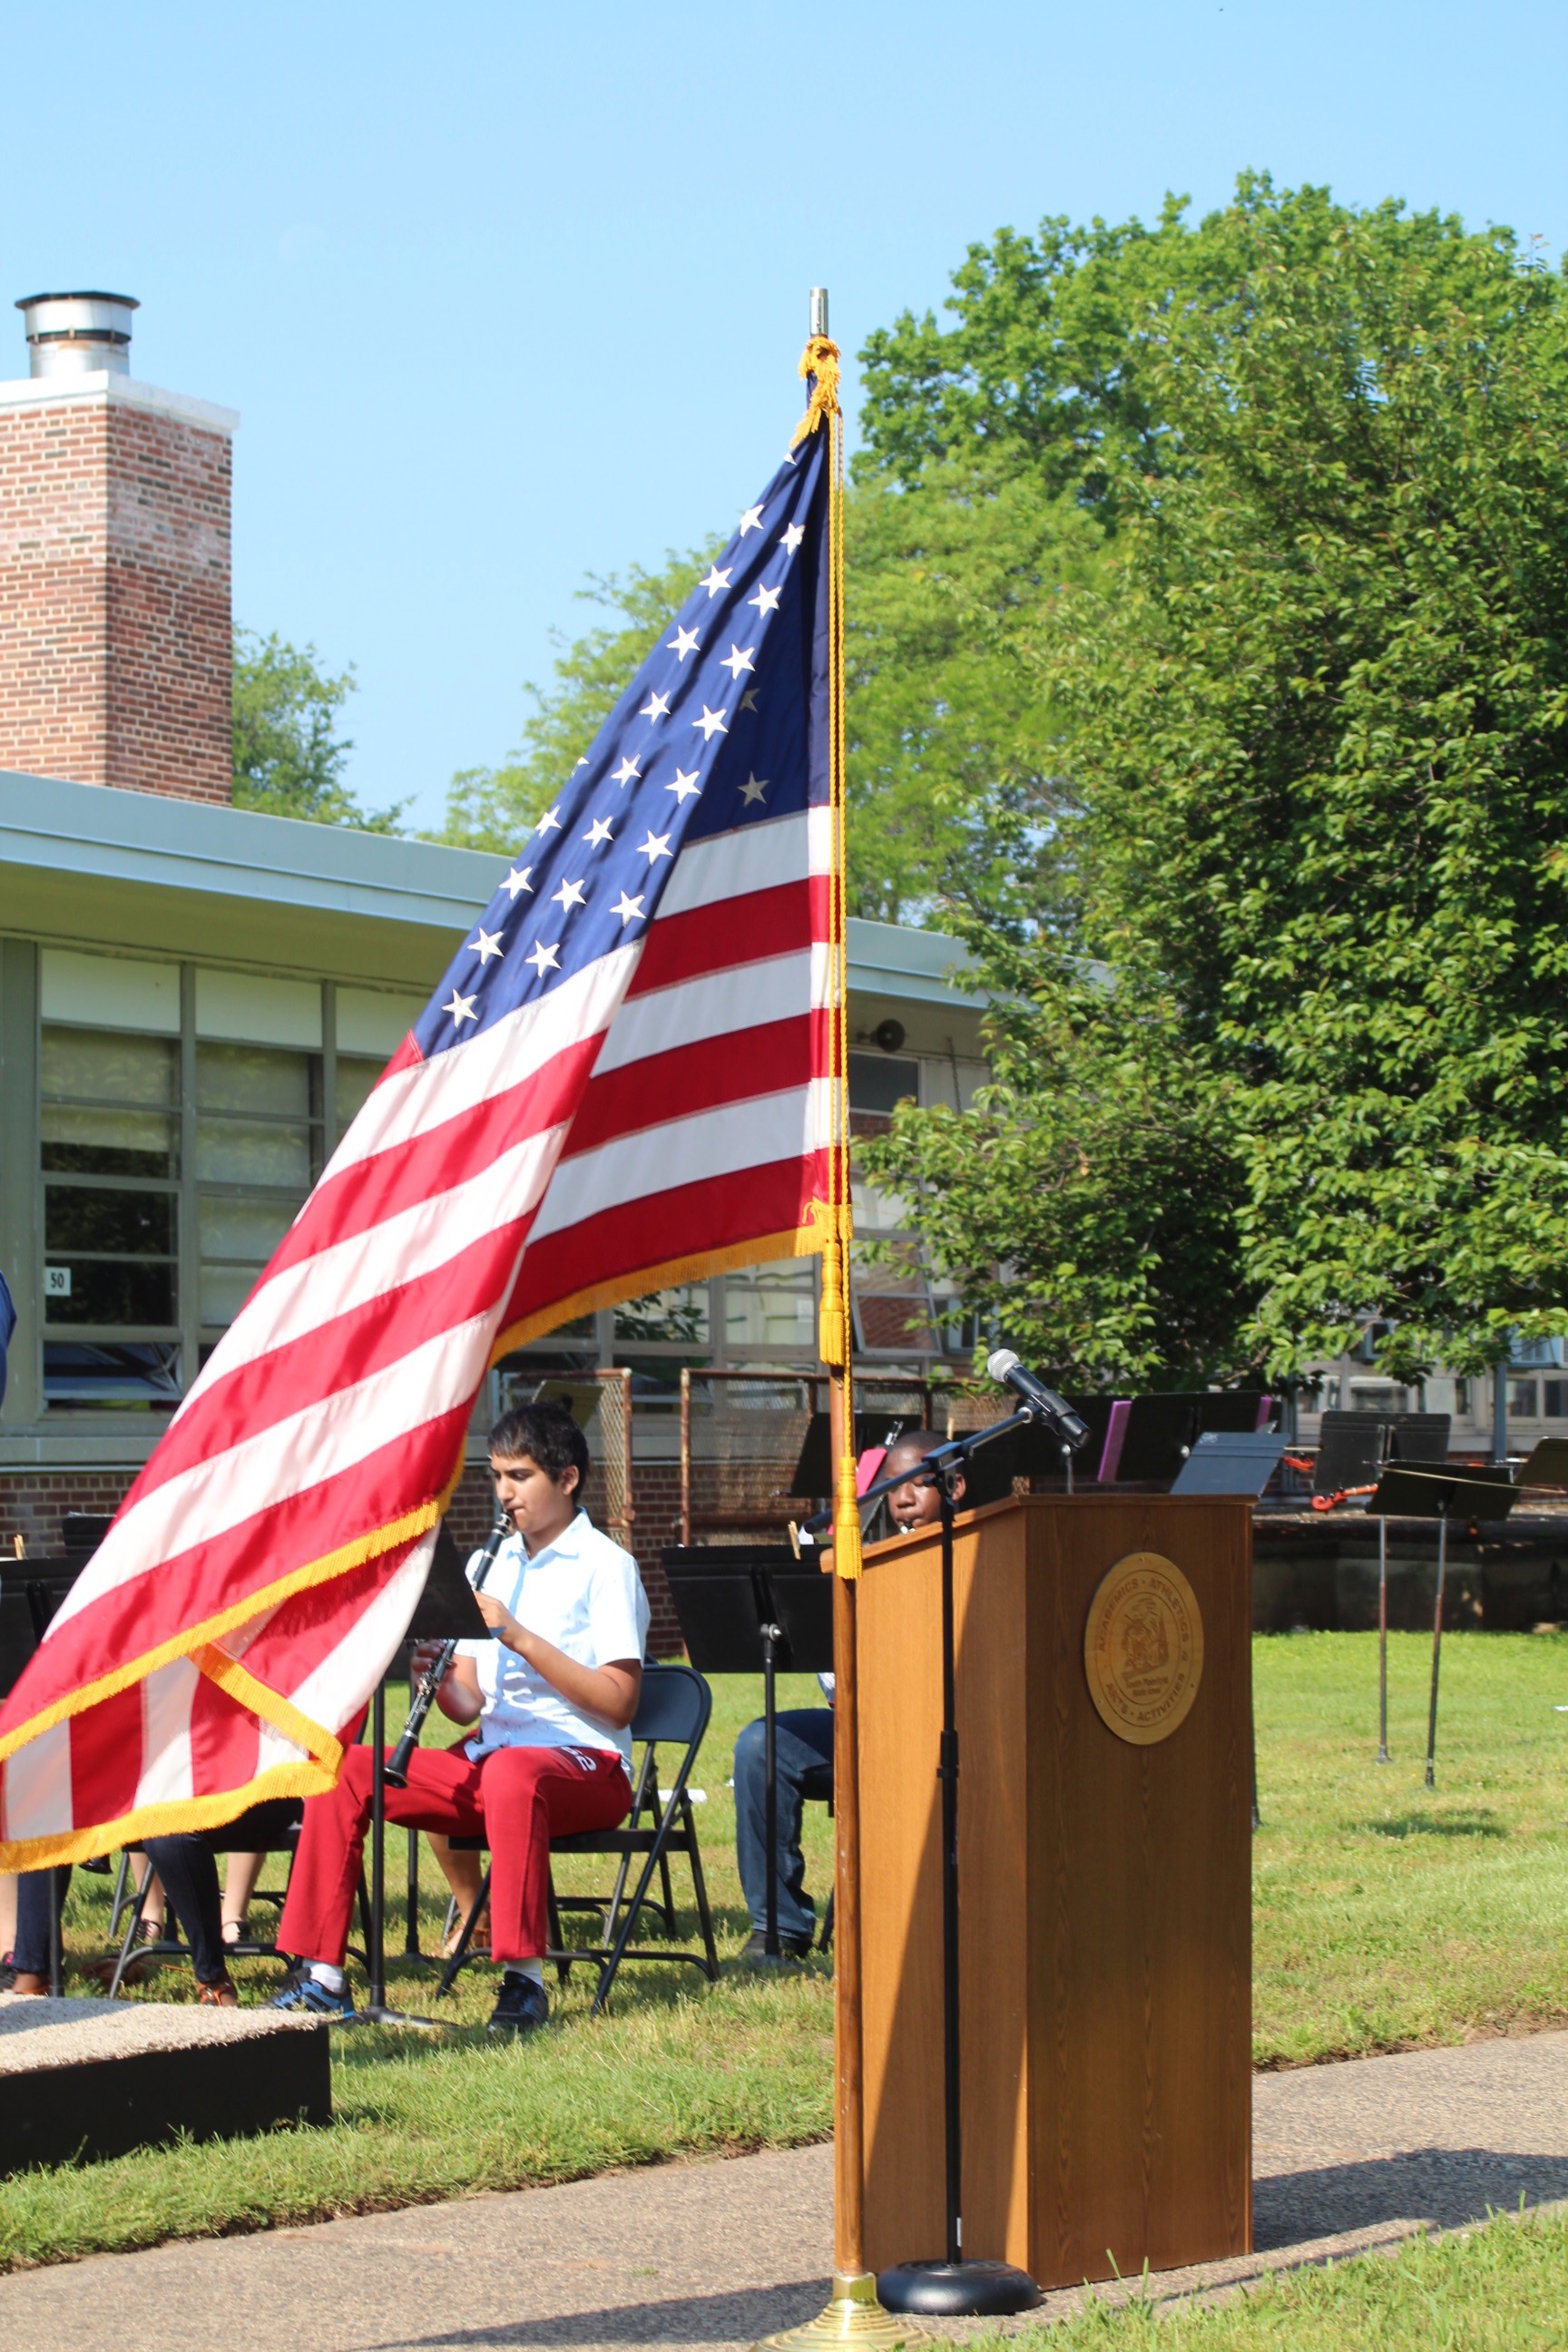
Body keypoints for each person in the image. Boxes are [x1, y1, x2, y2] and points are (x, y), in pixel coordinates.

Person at [271, 1401, 647, 2036]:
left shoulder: (607, 1565)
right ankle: (323, 1978)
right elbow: (468, 1704)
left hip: (588, 1764)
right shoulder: (485, 1563)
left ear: (567, 1479)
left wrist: (521, 1638)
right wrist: (436, 1678)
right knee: (343, 1769)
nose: (505, 1493)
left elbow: (619, 1700)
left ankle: (524, 1982)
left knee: (513, 1775)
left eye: (520, 1477)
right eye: (497, 1476)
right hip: (496, 1761)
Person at [731, 1431, 964, 1960]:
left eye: (918, 1485)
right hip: (862, 1726)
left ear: (956, 1485)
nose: (902, 1500)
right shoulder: (867, 1563)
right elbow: (834, 1680)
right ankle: (780, 1925)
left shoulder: (977, 1558)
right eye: (891, 1488)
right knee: (760, 1746)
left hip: (942, 1732)